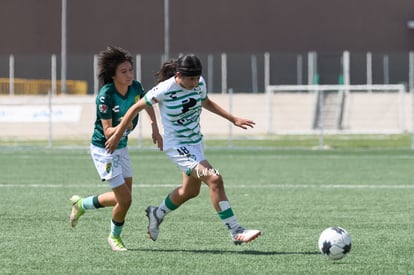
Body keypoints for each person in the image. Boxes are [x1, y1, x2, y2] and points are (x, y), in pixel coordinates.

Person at [105, 54, 261, 245]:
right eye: (191, 79)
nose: (196, 83)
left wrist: (233, 119)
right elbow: (134, 109)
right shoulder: (164, 89)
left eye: (197, 78)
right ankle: (235, 230)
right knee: (214, 178)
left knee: (190, 190)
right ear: (179, 75)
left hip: (196, 144)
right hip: (178, 147)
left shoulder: (199, 83)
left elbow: (205, 101)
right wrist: (118, 135)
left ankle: (157, 212)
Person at [69, 46, 163, 251]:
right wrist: (125, 124)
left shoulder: (136, 87)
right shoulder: (106, 96)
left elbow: (146, 104)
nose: (129, 75)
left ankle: (82, 204)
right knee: (126, 200)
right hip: (106, 150)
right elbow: (108, 131)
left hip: (122, 148)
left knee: (123, 197)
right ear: (113, 75)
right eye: (124, 71)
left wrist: (155, 127)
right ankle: (114, 237)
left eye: (130, 70)